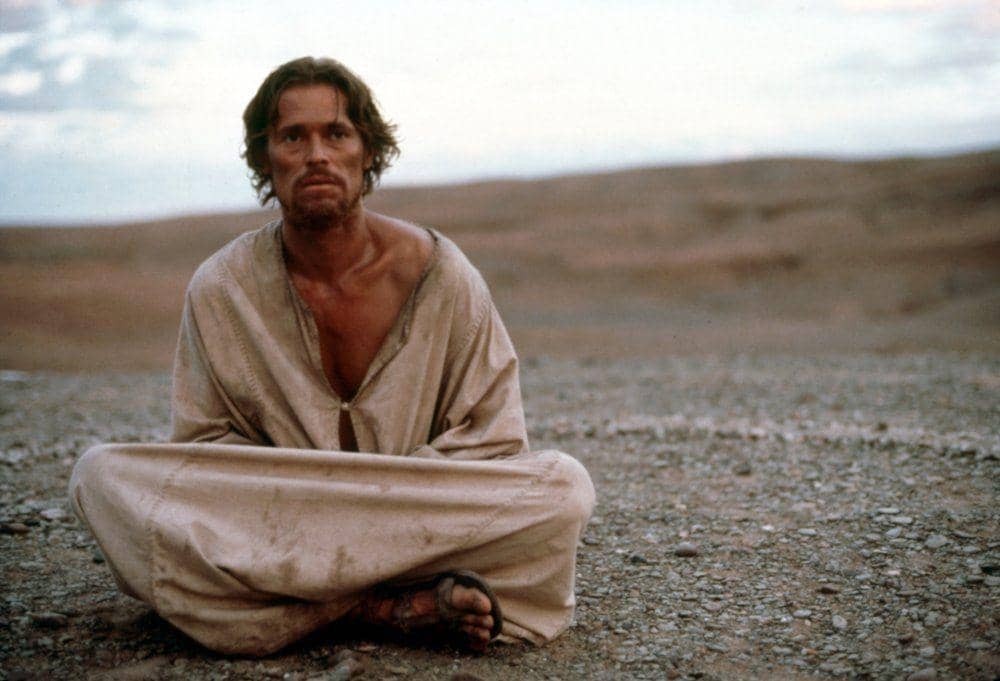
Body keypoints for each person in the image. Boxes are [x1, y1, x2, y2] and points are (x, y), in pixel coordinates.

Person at [68, 56, 595, 657]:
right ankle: (383, 606)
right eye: (293, 137)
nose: (316, 155)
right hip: (286, 512)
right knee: (99, 477)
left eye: (336, 134)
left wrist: (378, 501)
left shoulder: (442, 274)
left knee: (564, 488)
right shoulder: (223, 287)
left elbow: (492, 436)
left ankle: (299, 597)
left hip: (404, 510)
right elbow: (206, 444)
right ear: (265, 159)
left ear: (367, 152)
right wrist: (312, 501)